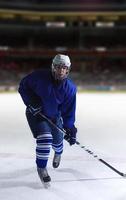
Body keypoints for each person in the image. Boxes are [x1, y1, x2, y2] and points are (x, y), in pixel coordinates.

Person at [18, 54, 77, 185]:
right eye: (58, 67)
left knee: (57, 142)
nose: (61, 71)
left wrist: (70, 128)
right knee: (45, 138)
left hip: (54, 116)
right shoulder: (39, 77)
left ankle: (58, 152)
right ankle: (42, 167)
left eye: (64, 68)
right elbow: (23, 86)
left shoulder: (70, 89)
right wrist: (31, 101)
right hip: (36, 113)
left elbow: (68, 111)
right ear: (53, 67)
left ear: (68, 69)